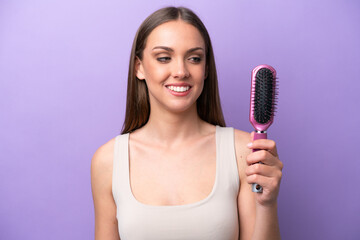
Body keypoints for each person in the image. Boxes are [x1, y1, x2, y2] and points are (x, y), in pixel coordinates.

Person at [91, 6, 283, 240]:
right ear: (139, 67)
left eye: (194, 58)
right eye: (164, 58)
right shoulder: (108, 161)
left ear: (206, 69)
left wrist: (267, 204)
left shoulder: (245, 152)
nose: (181, 71)